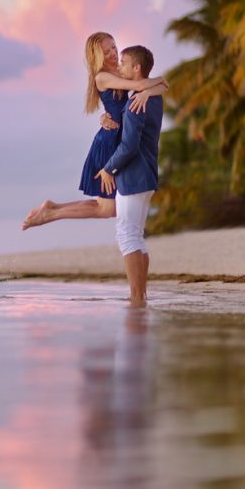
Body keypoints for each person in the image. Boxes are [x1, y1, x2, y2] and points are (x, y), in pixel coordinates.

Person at [22, 32, 167, 230]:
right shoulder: (103, 76)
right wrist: (151, 86)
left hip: (119, 139)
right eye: (106, 52)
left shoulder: (121, 69)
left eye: (114, 47)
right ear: (97, 56)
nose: (113, 53)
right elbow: (145, 84)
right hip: (109, 142)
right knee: (107, 209)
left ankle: (53, 208)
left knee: (107, 207)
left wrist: (149, 92)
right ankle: (51, 213)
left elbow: (159, 86)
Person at [94, 46, 164, 306]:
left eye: (123, 62)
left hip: (133, 175)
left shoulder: (137, 100)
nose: (120, 67)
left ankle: (136, 297)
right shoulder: (151, 97)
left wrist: (108, 168)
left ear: (137, 68)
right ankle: (140, 295)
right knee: (135, 233)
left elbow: (129, 145)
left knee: (127, 235)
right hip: (145, 174)